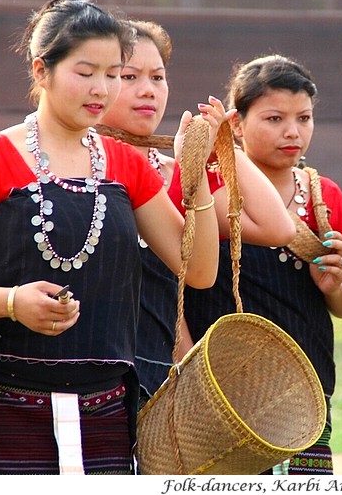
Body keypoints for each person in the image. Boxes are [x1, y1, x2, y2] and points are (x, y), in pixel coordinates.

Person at [0, 0, 222, 475]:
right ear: (42, 71)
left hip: (106, 412)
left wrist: (195, 173)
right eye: (85, 72)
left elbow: (199, 272)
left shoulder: (124, 166)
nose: (102, 88)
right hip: (0, 410)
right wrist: (12, 302)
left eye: (113, 74)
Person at [184, 54, 342, 475]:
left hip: (307, 391)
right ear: (235, 123)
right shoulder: (205, 187)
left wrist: (335, 286)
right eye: (274, 118)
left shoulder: (324, 198)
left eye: (304, 118)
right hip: (225, 387)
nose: (293, 131)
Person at [97, 20, 295, 406]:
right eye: (129, 75)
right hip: (84, 362)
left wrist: (222, 143)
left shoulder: (177, 175)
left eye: (158, 76)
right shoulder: (71, 169)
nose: (148, 90)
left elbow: (277, 227)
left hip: (157, 366)